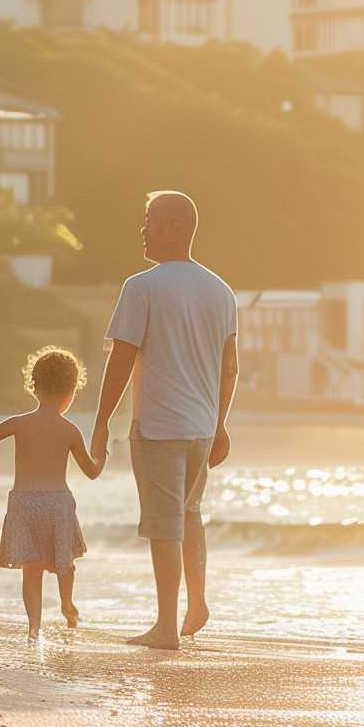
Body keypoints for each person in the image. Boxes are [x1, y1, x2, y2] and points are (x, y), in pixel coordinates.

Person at [89, 190, 238, 650]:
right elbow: (229, 367)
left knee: (164, 526)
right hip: (199, 428)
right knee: (189, 516)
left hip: (158, 428)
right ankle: (196, 603)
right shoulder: (220, 290)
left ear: (176, 227)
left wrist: (100, 423)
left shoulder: (142, 287)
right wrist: (219, 423)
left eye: (150, 220)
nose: (143, 229)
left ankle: (166, 627)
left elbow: (121, 361)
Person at [0, 347, 103, 636]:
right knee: (65, 563)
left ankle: (34, 628)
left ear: (34, 387)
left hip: (25, 503)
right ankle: (67, 602)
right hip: (57, 504)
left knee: (32, 570)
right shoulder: (70, 430)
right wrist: (102, 453)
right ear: (71, 392)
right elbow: (92, 471)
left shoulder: (20, 423)